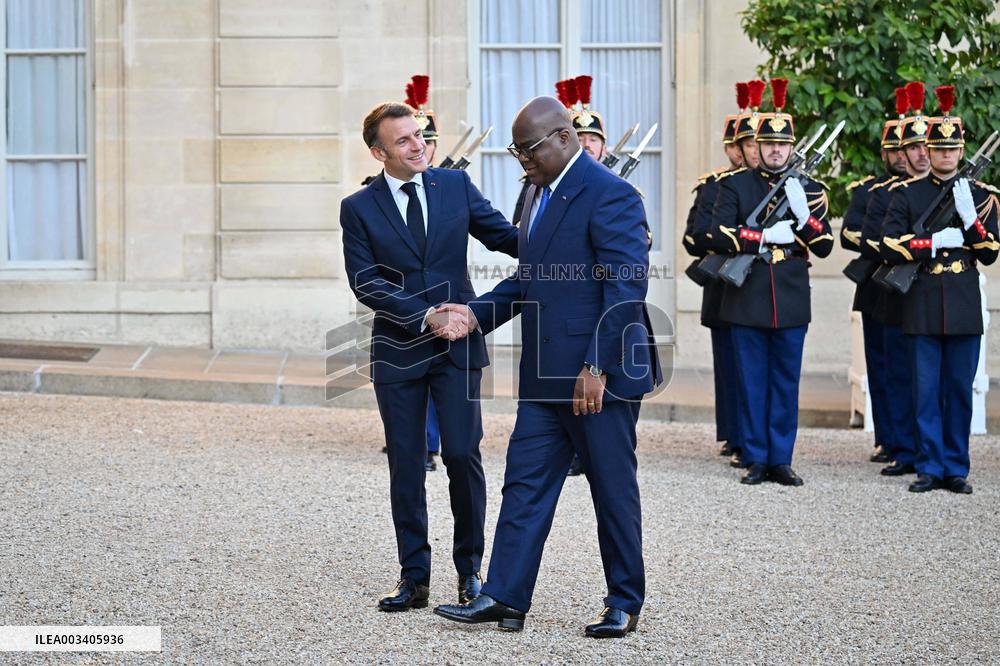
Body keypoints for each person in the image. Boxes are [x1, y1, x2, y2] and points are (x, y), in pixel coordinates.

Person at [431, 96, 661, 637]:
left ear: (564, 138)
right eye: (516, 151)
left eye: (528, 149)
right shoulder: (535, 192)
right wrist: (475, 315)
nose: (521, 162)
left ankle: (624, 601)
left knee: (611, 488)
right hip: (543, 376)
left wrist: (597, 366)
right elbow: (527, 279)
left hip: (595, 378)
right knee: (524, 485)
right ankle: (505, 598)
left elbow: (625, 287)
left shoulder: (613, 193)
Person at [340, 101, 518, 612]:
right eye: (403, 141)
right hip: (398, 349)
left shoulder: (455, 187)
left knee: (463, 455)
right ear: (379, 152)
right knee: (407, 462)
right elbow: (365, 281)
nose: (418, 145)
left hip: (459, 348)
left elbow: (506, 237)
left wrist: (569, 239)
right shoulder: (358, 207)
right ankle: (414, 577)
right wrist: (425, 315)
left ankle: (471, 573)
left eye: (418, 136)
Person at [708, 78, 833, 486]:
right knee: (750, 379)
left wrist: (804, 216)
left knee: (784, 379)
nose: (776, 150)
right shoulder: (734, 185)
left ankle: (781, 458)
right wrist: (761, 236)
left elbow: (826, 243)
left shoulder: (809, 189)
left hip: (791, 293)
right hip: (748, 291)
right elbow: (718, 233)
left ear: (791, 146)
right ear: (756, 147)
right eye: (769, 144)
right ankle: (757, 457)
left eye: (783, 144)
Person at [880, 84, 999, 494]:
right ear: (926, 152)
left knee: (957, 390)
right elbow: (889, 243)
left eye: (952, 149)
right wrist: (931, 243)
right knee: (926, 390)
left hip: (963, 300)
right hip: (924, 297)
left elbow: (989, 252)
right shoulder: (908, 194)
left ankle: (956, 467)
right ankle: (929, 465)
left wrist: (972, 221)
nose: (946, 155)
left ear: (961, 151)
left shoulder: (982, 197)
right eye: (938, 149)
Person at [857, 81, 932, 476]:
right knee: (894, 373)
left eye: (925, 147)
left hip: (934, 288)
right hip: (890, 289)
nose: (919, 155)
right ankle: (900, 443)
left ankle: (927, 447)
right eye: (911, 148)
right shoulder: (883, 192)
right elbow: (869, 237)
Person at [840, 86, 911, 468]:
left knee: (909, 369)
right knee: (882, 368)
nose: (902, 157)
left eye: (908, 150)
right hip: (876, 286)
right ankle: (887, 437)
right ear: (885, 153)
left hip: (914, 285)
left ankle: (910, 440)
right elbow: (851, 233)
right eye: (895, 151)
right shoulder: (870, 191)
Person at [682, 81, 747, 465]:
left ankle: (747, 436)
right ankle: (732, 431)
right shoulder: (714, 186)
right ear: (731, 149)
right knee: (729, 364)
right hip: (722, 283)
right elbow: (696, 235)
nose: (751, 151)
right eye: (744, 145)